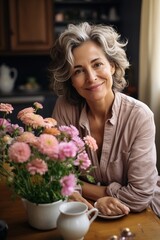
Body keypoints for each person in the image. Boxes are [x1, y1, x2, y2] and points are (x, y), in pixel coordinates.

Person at [50, 22, 160, 217]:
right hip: (84, 209)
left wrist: (82, 188)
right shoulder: (64, 108)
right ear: (71, 81)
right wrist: (93, 195)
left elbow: (140, 196)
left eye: (97, 64)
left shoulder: (140, 116)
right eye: (78, 71)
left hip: (142, 214)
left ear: (113, 66)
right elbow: (55, 174)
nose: (91, 77)